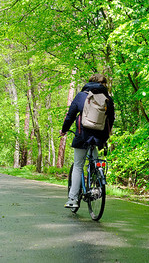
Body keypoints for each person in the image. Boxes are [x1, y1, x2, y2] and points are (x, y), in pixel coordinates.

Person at [60, 74, 115, 209]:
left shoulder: (81, 96)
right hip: (99, 137)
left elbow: (70, 115)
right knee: (96, 163)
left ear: (90, 82)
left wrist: (64, 130)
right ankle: (99, 182)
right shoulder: (108, 99)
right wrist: (106, 136)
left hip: (82, 135)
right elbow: (111, 119)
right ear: (104, 84)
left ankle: (73, 199)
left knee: (78, 166)